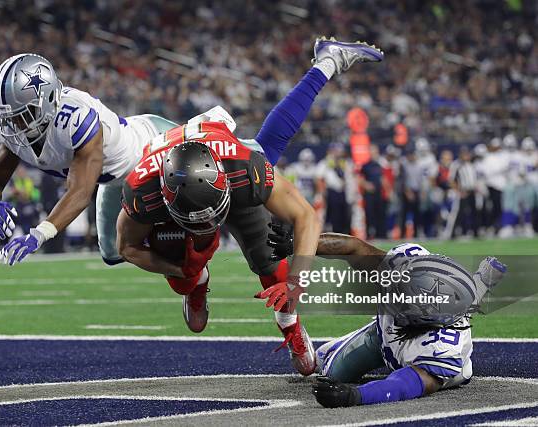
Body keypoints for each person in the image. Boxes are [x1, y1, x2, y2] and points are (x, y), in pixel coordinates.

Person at [116, 37, 384, 376]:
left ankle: (290, 325)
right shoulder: (143, 192)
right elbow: (125, 247)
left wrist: (297, 282)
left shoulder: (245, 169)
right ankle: (196, 281)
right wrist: (181, 270)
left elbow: (305, 216)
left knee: (274, 268)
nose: (211, 224)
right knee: (185, 270)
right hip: (174, 199)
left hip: (222, 170)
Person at [267, 227, 506, 407]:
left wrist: (355, 396)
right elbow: (355, 248)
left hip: (411, 346)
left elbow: (403, 386)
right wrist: (301, 244)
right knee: (326, 368)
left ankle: (483, 280)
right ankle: (482, 280)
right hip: (389, 331)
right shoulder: (409, 267)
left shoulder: (441, 349)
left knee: (333, 374)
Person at [0, 53, 178, 266]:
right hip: (116, 179)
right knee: (113, 252)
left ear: (46, 100)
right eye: (8, 118)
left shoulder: (76, 118)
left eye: (21, 115)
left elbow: (81, 192)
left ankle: (195, 280)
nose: (13, 125)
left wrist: (39, 234)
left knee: (185, 228)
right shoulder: (19, 131)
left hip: (154, 146)